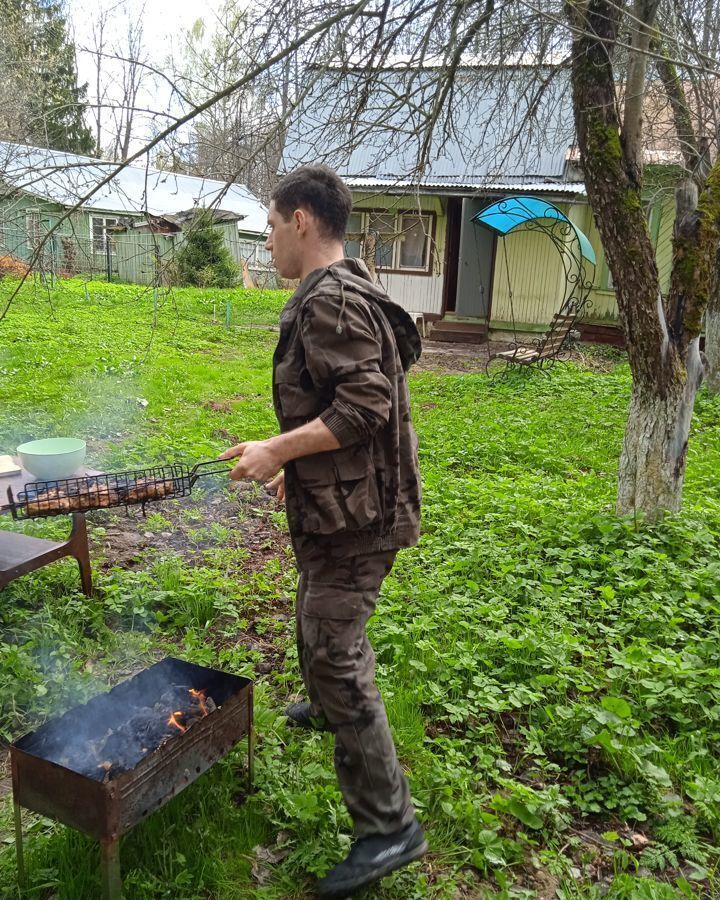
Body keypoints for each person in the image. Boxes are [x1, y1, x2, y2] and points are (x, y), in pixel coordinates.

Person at [220, 164, 425, 898]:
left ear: (302, 220)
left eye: (272, 227)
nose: (268, 242)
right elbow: (346, 408)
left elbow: (366, 402)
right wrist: (296, 464)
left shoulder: (328, 301)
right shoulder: (348, 287)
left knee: (334, 649)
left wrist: (278, 449)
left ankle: (388, 828)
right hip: (350, 503)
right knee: (317, 621)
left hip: (360, 520)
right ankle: (328, 701)